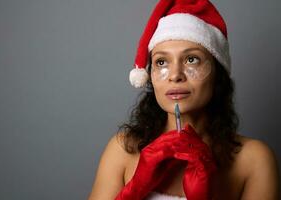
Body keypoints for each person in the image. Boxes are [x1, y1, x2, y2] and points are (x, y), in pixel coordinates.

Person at [88, 0, 280, 199]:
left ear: (218, 73)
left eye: (191, 59)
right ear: (150, 76)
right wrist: (134, 189)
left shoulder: (253, 160)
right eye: (161, 62)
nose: (175, 75)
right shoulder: (123, 150)